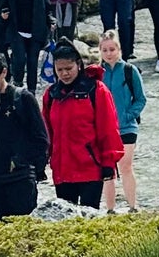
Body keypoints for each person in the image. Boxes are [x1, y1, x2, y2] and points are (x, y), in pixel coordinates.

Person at [0, 48, 50, 225]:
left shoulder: (23, 99)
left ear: (4, 72)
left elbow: (41, 140)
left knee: (20, 238)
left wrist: (19, 163)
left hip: (19, 182)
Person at [42, 39, 123, 207]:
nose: (64, 74)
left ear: (78, 65)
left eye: (68, 69)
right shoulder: (51, 95)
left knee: (89, 220)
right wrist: (41, 160)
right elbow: (47, 133)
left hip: (90, 168)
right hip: (62, 170)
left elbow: (108, 128)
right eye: (60, 70)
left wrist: (109, 162)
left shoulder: (96, 90)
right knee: (66, 222)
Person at [98, 29, 146, 212]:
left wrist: (127, 115)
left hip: (127, 127)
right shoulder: (96, 74)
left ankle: (133, 206)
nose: (109, 54)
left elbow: (141, 98)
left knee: (125, 166)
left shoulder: (129, 70)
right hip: (104, 129)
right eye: (105, 50)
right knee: (108, 171)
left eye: (112, 49)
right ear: (100, 51)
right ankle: (110, 210)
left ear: (119, 49)